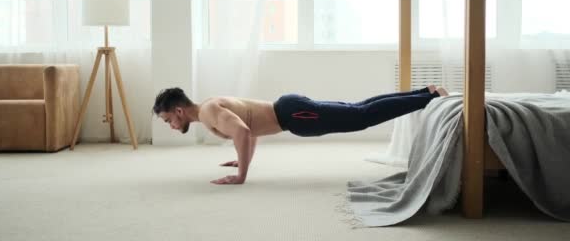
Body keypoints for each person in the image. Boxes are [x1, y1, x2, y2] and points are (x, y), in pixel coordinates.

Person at [152, 85, 448, 185]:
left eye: (168, 120)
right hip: (290, 109)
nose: (171, 127)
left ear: (179, 111)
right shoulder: (209, 107)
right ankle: (426, 93)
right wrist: (242, 161)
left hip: (293, 115)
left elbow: (242, 131)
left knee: (360, 117)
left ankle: (428, 97)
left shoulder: (207, 113)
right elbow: (249, 132)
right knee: (360, 110)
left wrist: (241, 175)